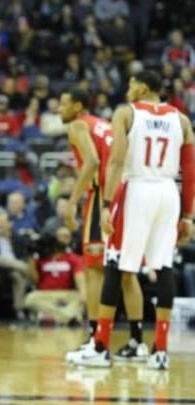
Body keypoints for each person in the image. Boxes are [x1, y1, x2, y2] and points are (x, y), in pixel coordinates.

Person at [74, 70, 195, 370]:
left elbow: (115, 160)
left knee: (115, 264)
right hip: (168, 192)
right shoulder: (181, 119)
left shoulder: (125, 113)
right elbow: (191, 173)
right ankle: (160, 351)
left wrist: (105, 203)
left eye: (130, 83)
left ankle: (101, 346)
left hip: (137, 189)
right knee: (163, 267)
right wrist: (189, 215)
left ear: (142, 86)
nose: (127, 89)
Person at [58, 87, 147, 363]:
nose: (59, 110)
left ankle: (96, 340)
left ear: (78, 106)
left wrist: (72, 202)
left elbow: (92, 163)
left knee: (94, 269)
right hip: (130, 193)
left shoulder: (77, 125)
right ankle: (136, 342)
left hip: (104, 197)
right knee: (127, 271)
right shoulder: (105, 124)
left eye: (63, 104)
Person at [24, 226, 86, 324]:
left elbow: (80, 278)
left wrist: (83, 293)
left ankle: (50, 316)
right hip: (45, 294)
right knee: (29, 299)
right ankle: (68, 317)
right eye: (61, 237)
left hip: (67, 294)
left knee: (82, 298)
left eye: (66, 237)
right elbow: (34, 280)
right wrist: (31, 260)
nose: (63, 240)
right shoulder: (42, 258)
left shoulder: (74, 258)